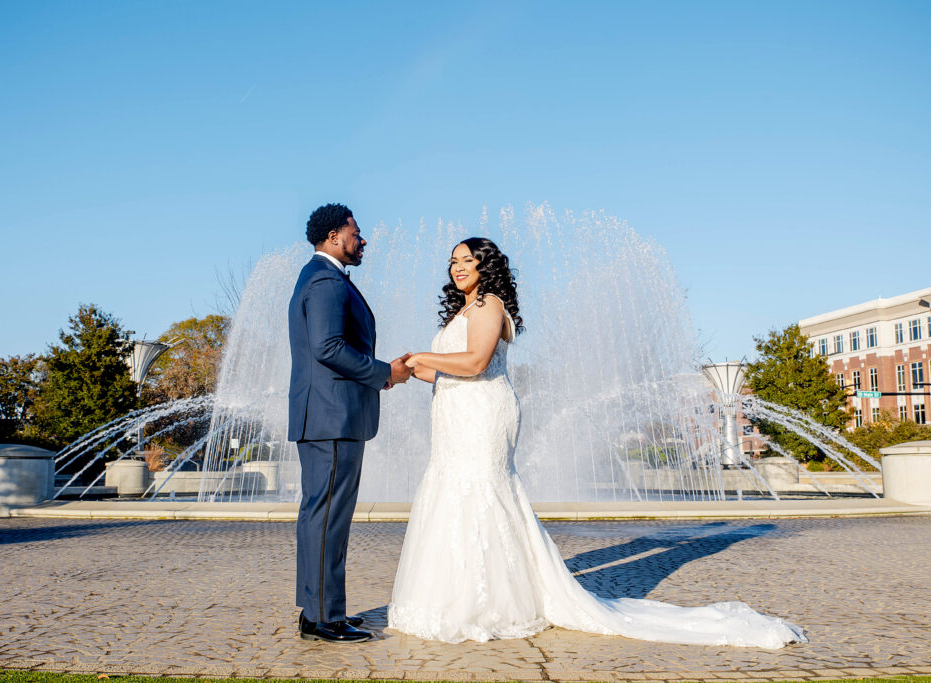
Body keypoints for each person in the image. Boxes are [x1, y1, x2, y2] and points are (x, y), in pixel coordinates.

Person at [386, 237, 807, 648]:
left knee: (478, 492)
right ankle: (455, 594)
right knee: (453, 490)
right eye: (452, 261)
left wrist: (421, 357)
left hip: (481, 416)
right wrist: (404, 373)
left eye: (465, 260)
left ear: (484, 265)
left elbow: (476, 362)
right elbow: (450, 370)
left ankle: (489, 603)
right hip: (457, 415)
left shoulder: (489, 305)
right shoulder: (464, 310)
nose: (457, 267)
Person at [288, 203, 412, 643]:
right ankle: (324, 619)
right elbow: (328, 346)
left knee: (322, 517)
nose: (363, 241)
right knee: (327, 519)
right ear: (335, 237)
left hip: (325, 415)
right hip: (331, 416)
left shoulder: (318, 276)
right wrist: (385, 374)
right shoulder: (325, 280)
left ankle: (318, 610)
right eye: (356, 234)